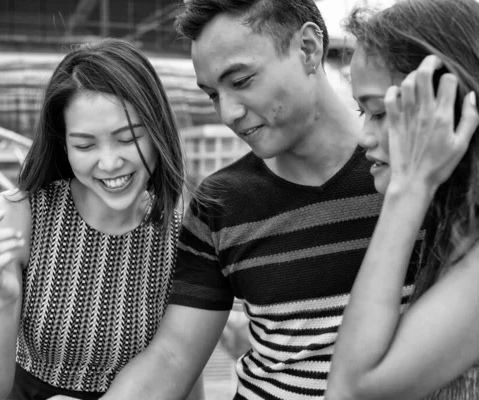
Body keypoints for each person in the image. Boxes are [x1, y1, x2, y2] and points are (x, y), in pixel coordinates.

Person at [101, 1, 424, 399]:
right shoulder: (220, 202)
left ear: (308, 48)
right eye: (212, 95)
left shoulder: (415, 174)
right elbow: (173, 355)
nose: (228, 114)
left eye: (240, 81)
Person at [0, 38, 203, 400]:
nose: (109, 163)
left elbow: (182, 367)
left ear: (157, 132)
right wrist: (2, 300)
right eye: (86, 145)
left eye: (128, 139)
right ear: (64, 146)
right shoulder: (19, 216)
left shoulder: (181, 234)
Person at [325, 0, 479, 399]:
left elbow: (350, 391)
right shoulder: (459, 225)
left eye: (379, 112)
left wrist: (410, 186)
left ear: (447, 105)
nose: (365, 138)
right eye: (362, 113)